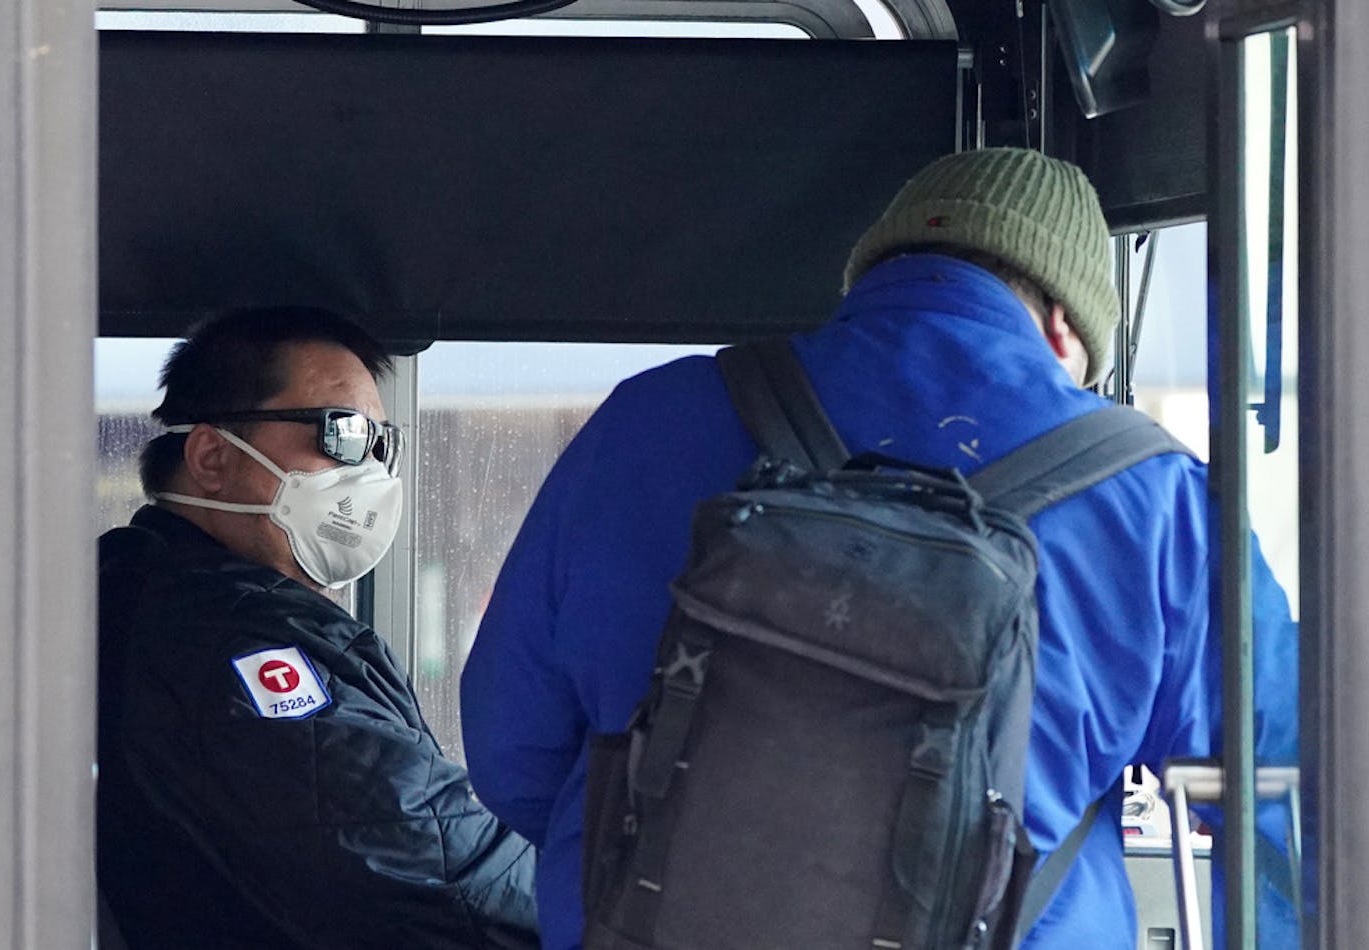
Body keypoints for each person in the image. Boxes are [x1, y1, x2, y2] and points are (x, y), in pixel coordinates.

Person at [459, 148, 1298, 948]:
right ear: (1059, 326)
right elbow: (1288, 810)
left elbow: (512, 751)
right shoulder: (1160, 502)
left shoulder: (644, 423)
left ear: (875, 277)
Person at [97, 306, 539, 949]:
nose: (372, 473)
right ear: (213, 457)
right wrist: (607, 894)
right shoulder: (220, 640)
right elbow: (419, 850)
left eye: (382, 444)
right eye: (343, 435)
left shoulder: (196, 602)